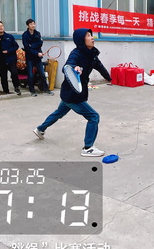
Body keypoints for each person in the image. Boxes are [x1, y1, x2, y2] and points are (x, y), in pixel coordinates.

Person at [33, 28, 111, 157]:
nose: (92, 37)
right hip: (73, 94)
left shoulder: (91, 54)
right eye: (88, 35)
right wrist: (74, 68)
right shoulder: (76, 53)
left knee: (58, 113)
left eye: (91, 35)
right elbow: (67, 66)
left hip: (68, 94)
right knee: (94, 117)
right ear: (81, 40)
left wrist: (110, 79)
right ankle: (88, 148)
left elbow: (100, 67)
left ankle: (40, 129)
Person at [21, 19, 53, 97]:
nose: (33, 25)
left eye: (34, 24)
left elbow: (40, 43)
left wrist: (32, 45)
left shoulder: (37, 33)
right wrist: (36, 52)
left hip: (38, 57)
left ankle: (46, 89)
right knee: (30, 74)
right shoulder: (25, 35)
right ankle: (32, 90)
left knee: (42, 73)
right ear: (28, 25)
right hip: (30, 57)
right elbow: (27, 48)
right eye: (31, 24)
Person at [0, 21, 21, 95]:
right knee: (3, 77)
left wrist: (8, 51)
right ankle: (6, 91)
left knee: (14, 73)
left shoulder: (9, 37)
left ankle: (17, 87)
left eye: (2, 26)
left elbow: (16, 46)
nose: (1, 27)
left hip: (11, 59)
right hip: (0, 60)